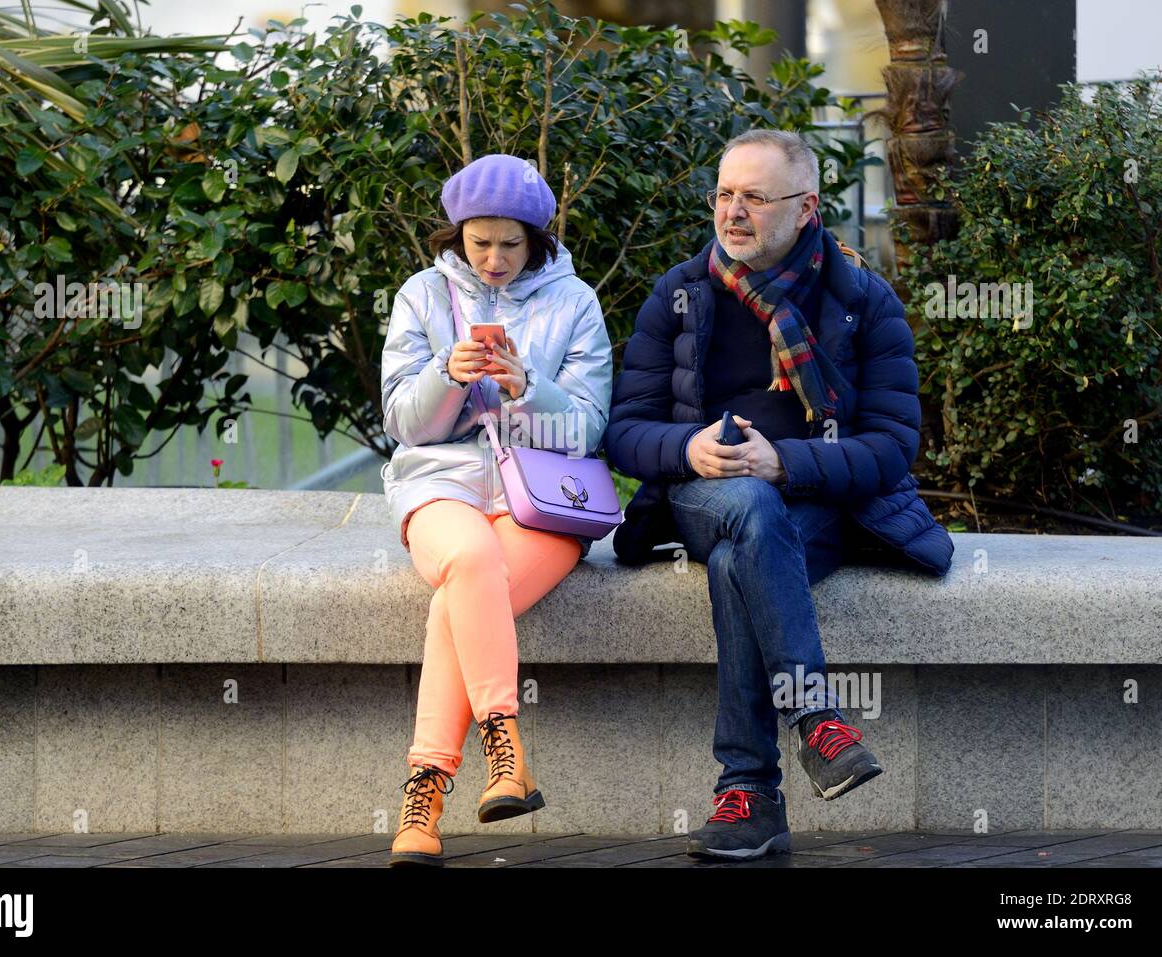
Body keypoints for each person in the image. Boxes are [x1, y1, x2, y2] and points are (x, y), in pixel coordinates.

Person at [604, 129, 954, 860]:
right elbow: (625, 433)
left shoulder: (863, 300)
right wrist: (687, 447)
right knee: (747, 511)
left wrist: (785, 463)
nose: (733, 212)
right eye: (724, 194)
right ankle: (817, 717)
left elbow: (893, 447)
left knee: (743, 555)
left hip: (819, 505)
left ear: (806, 207)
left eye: (755, 198)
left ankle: (748, 795)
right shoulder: (678, 294)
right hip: (702, 495)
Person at [378, 153, 613, 866]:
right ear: (457, 235)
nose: (494, 258)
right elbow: (402, 423)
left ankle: (425, 794)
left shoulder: (575, 303)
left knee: (458, 603)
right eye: (479, 242)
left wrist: (527, 388)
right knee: (471, 559)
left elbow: (586, 430)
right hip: (440, 484)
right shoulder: (422, 295)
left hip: (544, 502)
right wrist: (445, 377)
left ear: (536, 241)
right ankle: (504, 746)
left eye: (511, 243)